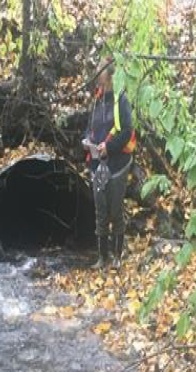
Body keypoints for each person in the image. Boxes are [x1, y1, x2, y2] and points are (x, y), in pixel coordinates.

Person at [83, 58, 135, 267]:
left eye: (102, 81)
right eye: (99, 81)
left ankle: (117, 256)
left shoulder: (121, 100)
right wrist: (88, 141)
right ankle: (102, 257)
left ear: (112, 78)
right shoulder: (97, 100)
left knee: (115, 209)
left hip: (117, 163)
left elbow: (127, 131)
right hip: (98, 164)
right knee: (100, 211)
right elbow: (90, 128)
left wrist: (109, 147)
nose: (99, 85)